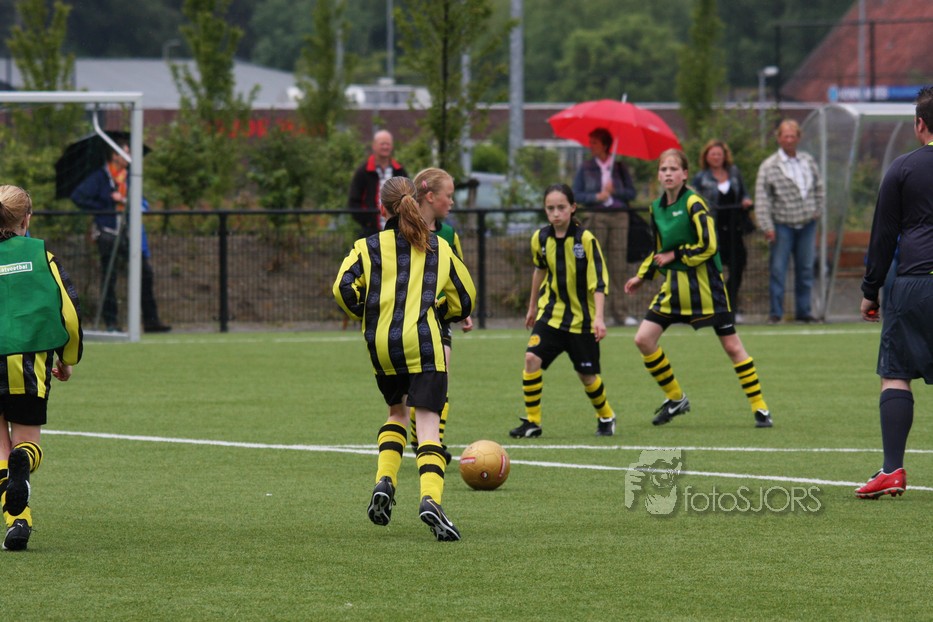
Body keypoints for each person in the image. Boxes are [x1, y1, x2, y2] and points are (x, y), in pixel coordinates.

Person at [333, 175, 476, 542]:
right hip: (424, 343)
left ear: (383, 209)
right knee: (427, 425)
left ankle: (385, 480)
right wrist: (443, 312)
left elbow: (341, 287)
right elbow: (465, 299)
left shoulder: (367, 246)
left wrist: (369, 312)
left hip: (382, 345)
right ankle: (430, 500)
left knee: (396, 413)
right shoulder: (438, 247)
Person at [624, 149, 772, 428]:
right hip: (674, 289)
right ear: (659, 175)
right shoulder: (656, 208)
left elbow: (709, 245)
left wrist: (676, 254)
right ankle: (676, 398)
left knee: (732, 346)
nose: (668, 173)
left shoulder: (694, 203)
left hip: (706, 289)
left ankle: (760, 407)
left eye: (673, 169)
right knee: (643, 340)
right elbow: (659, 249)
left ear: (684, 174)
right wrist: (642, 275)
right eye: (663, 169)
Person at [855, 86, 933, 500]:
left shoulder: (902, 168)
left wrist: (871, 290)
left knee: (896, 373)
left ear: (919, 124)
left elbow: (883, 236)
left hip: (914, 282)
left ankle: (892, 470)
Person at [0, 185, 84, 551]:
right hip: (29, 364)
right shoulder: (42, 256)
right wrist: (67, 358)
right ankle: (23, 468)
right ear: (26, 219)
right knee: (25, 443)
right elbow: (69, 313)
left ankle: (19, 522)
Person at [508, 183, 618, 439]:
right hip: (551, 315)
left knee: (587, 376)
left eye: (561, 207)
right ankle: (533, 421)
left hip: (582, 321)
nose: (556, 213)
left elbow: (599, 282)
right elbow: (539, 271)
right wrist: (532, 306)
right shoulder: (540, 238)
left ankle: (606, 415)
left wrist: (599, 318)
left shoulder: (585, 239)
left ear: (573, 208)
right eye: (550, 208)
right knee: (531, 359)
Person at [407, 168, 474, 460]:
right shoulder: (402, 231)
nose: (452, 201)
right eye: (449, 195)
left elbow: (457, 274)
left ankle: (434, 442)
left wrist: (463, 309)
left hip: (439, 315)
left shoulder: (448, 234)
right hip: (407, 318)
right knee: (409, 387)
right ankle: (418, 436)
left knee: (440, 373)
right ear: (431, 197)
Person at [70, 142, 170, 333]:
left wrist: (124, 200)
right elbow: (78, 197)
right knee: (109, 276)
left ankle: (151, 321)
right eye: (125, 153)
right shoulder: (100, 177)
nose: (128, 156)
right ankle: (111, 322)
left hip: (128, 233)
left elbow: (142, 203)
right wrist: (105, 205)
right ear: (114, 155)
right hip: (108, 232)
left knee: (145, 272)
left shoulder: (130, 178)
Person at [754, 119, 824, 324]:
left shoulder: (808, 161)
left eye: (793, 136)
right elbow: (762, 198)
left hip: (807, 223)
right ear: (779, 138)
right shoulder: (769, 166)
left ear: (798, 138)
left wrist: (818, 210)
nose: (789, 140)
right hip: (781, 224)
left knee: (805, 269)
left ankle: (804, 311)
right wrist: (767, 226)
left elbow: (819, 187)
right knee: (778, 270)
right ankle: (776, 313)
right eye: (786, 136)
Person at [571, 127, 637, 326]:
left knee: (618, 264)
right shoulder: (586, 167)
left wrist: (615, 191)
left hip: (619, 217)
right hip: (596, 216)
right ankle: (591, 312)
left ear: (605, 145)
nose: (590, 146)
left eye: (594, 142)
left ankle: (621, 313)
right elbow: (576, 194)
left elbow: (631, 193)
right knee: (593, 263)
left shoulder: (619, 167)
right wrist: (596, 197)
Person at [692, 140, 755, 320]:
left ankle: (729, 304)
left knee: (738, 267)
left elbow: (744, 192)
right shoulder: (701, 178)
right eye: (712, 154)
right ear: (706, 156)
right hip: (713, 229)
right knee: (713, 270)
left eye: (719, 154)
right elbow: (693, 199)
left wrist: (746, 200)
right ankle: (714, 306)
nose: (716, 157)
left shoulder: (734, 173)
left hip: (734, 229)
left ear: (725, 156)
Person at [347, 130, 408, 238]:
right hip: (370, 232)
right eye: (382, 144)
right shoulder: (363, 172)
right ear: (374, 146)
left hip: (397, 231)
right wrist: (368, 222)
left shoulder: (399, 171)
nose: (385, 147)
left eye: (388, 144)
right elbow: (354, 202)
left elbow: (408, 197)